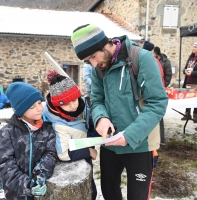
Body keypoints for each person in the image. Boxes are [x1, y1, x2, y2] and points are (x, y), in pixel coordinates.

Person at [71, 24, 168, 200]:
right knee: (109, 193)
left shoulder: (142, 59)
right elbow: (97, 100)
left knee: (137, 196)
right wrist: (101, 118)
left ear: (106, 44)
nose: (94, 64)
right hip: (110, 143)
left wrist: (131, 135)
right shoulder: (98, 69)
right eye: (87, 61)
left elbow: (158, 103)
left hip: (140, 143)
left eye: (93, 56)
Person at [0, 82, 57, 200]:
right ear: (21, 111)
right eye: (32, 107)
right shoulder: (7, 133)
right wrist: (27, 185)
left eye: (40, 103)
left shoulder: (47, 129)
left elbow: (50, 153)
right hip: (8, 193)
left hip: (31, 192)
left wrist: (40, 174)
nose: (39, 109)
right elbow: (4, 165)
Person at [43, 69, 98, 200]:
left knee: (92, 191)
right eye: (66, 104)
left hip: (85, 148)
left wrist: (96, 130)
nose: (73, 106)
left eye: (74, 100)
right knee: (87, 191)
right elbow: (64, 154)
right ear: (57, 105)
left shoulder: (82, 105)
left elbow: (88, 120)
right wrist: (88, 151)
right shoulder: (59, 125)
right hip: (76, 161)